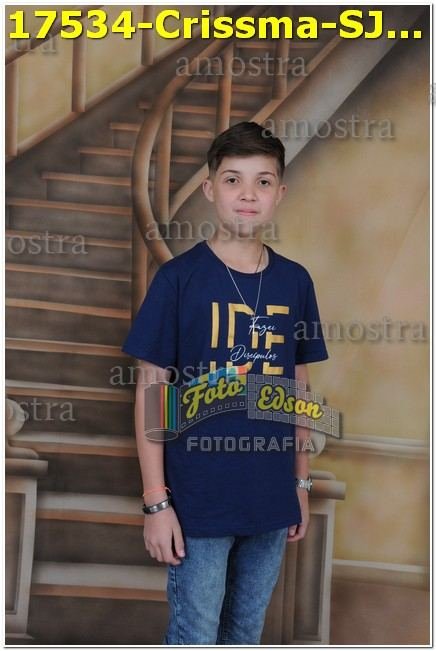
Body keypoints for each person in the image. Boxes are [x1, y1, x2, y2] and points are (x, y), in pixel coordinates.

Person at [121, 121, 329, 645]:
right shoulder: (178, 280)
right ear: (210, 188)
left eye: (263, 182)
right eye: (233, 179)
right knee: (196, 634)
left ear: (280, 194)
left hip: (270, 499)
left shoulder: (295, 281)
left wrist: (300, 484)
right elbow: (152, 393)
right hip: (198, 500)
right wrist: (156, 502)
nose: (248, 194)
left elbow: (298, 389)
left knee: (245, 633)